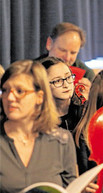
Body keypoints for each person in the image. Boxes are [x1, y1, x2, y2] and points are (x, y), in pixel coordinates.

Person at [0, 60, 77, 192]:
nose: (10, 97)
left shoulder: (62, 140)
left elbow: (71, 188)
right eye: (5, 90)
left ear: (39, 97)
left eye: (19, 91)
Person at [39, 56, 96, 179]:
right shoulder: (38, 119)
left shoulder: (83, 112)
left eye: (69, 77)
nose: (66, 84)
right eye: (57, 81)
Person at [35, 22, 94, 100]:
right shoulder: (31, 71)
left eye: (73, 52)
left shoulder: (86, 75)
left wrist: (90, 97)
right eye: (62, 50)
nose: (67, 58)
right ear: (49, 44)